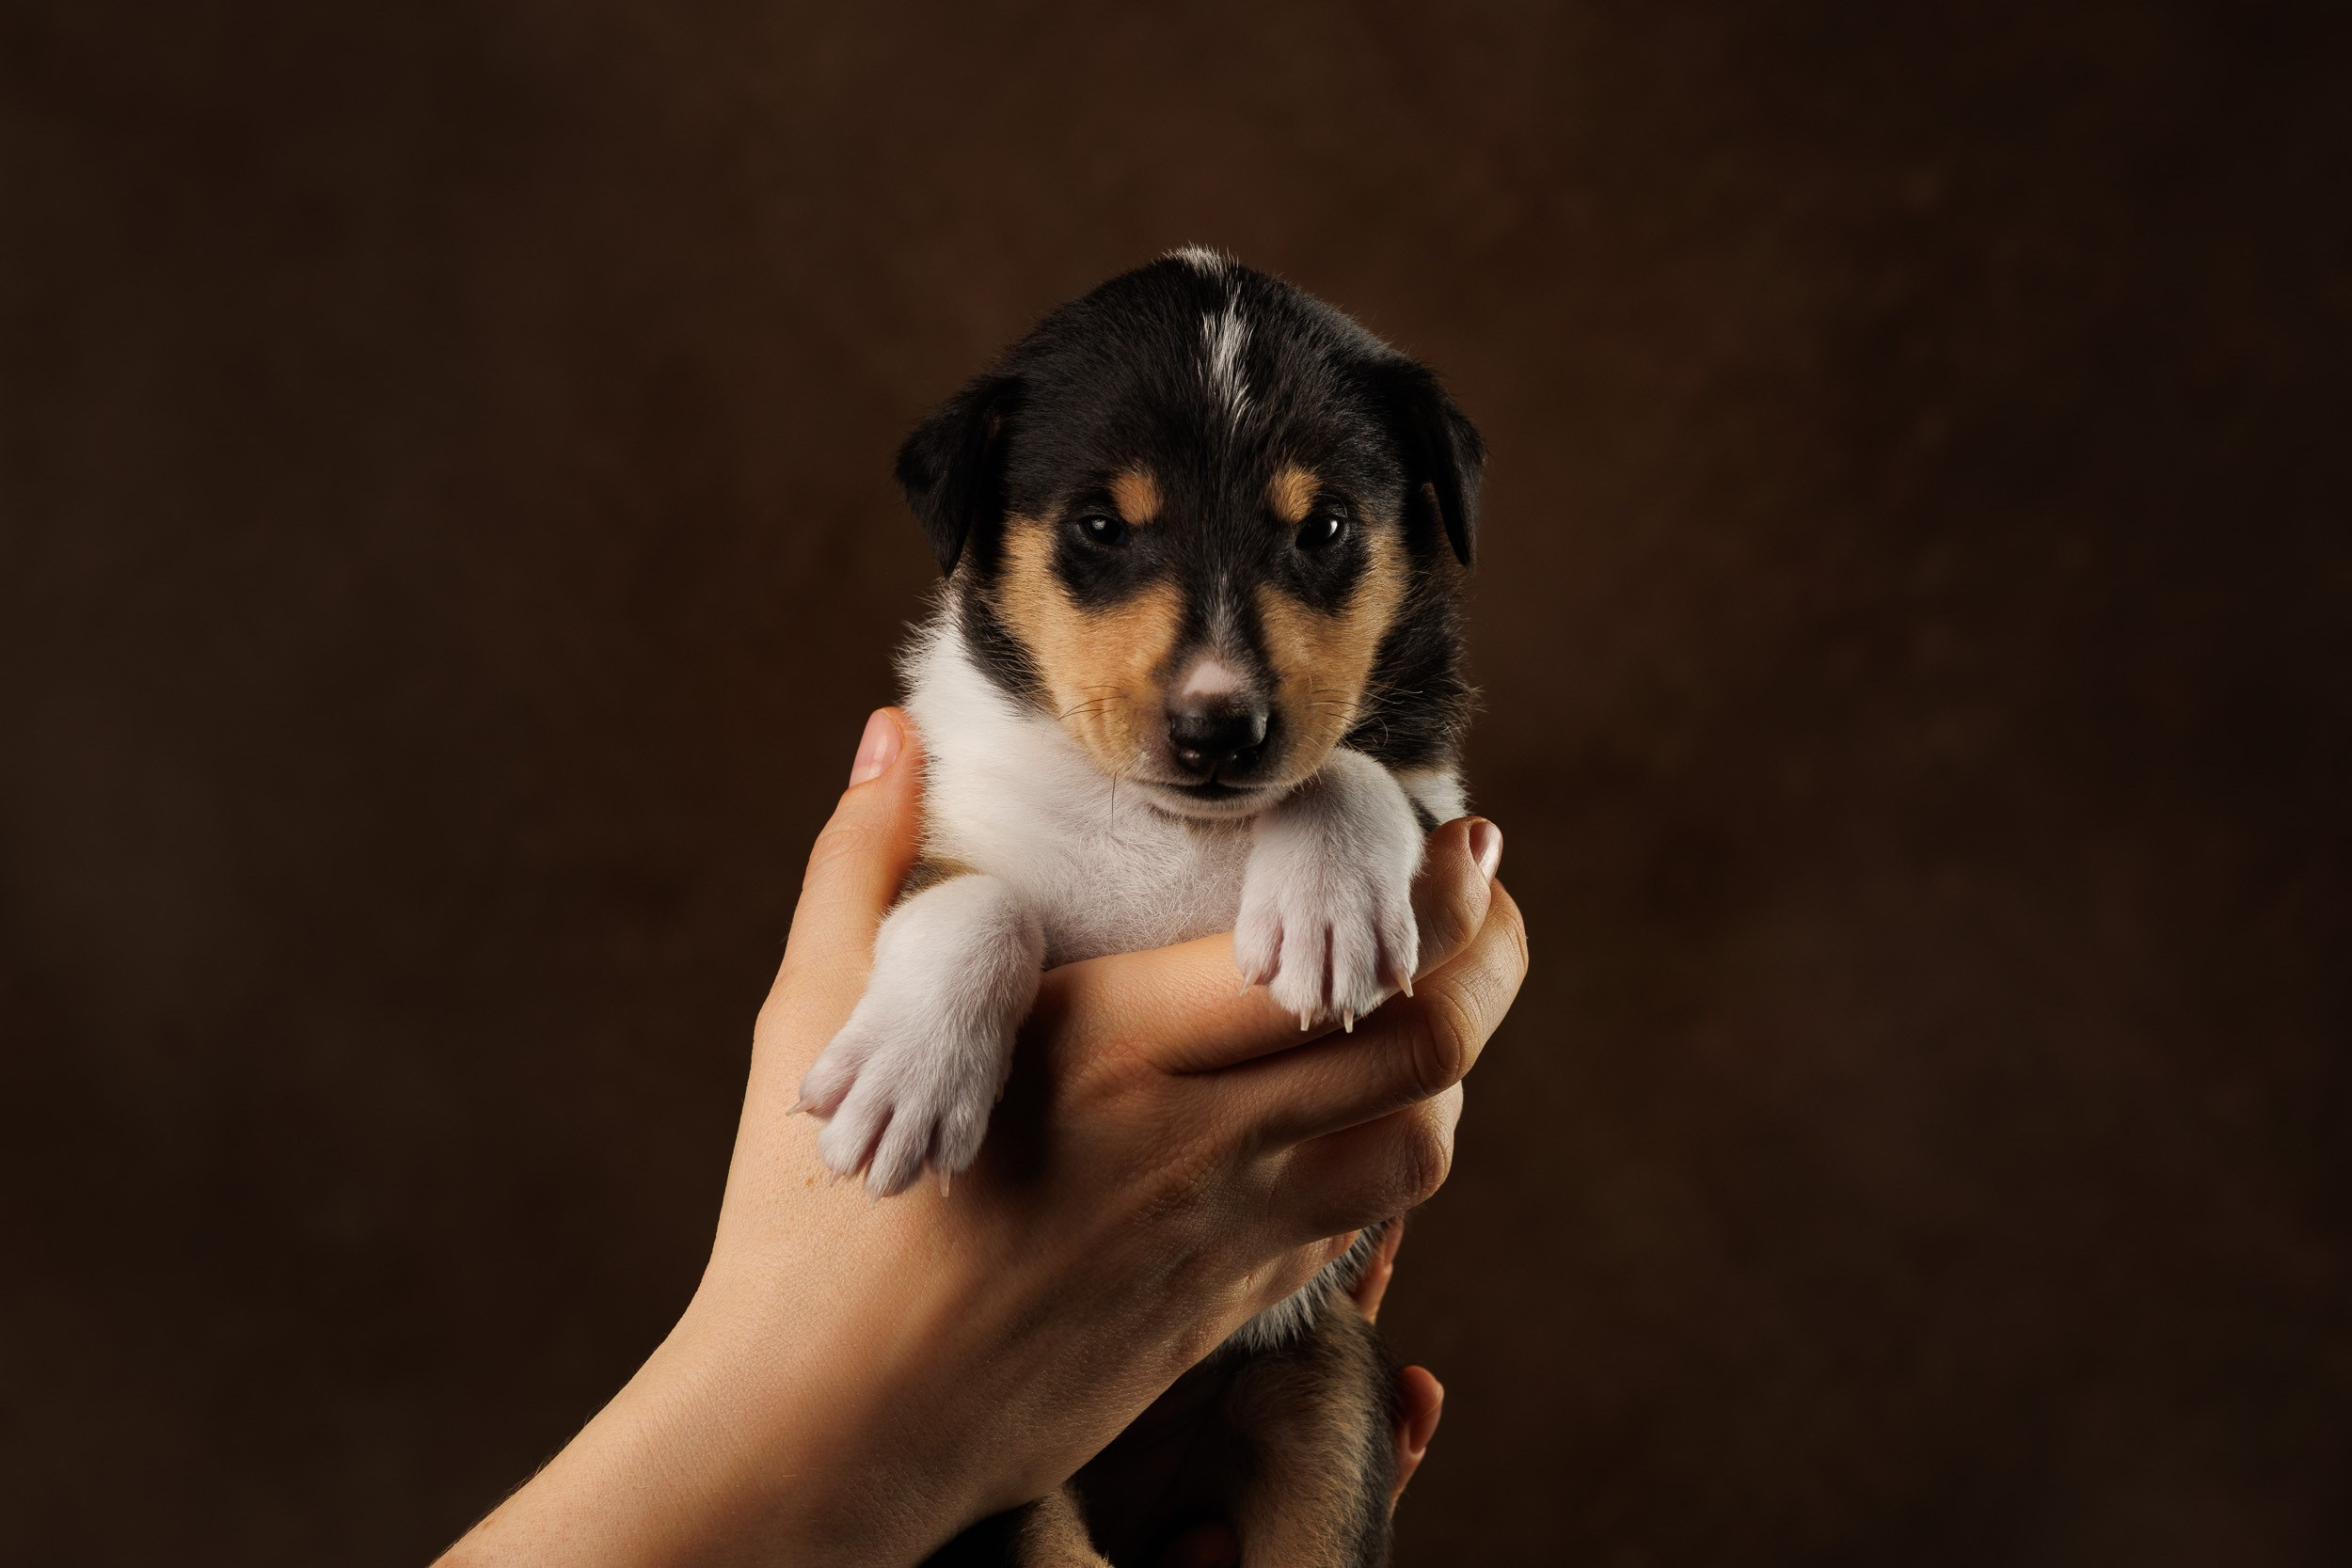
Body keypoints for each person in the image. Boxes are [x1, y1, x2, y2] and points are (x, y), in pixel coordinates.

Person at [439, 709, 1527, 1565]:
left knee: (1326, 1406)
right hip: (970, 1457)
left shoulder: (1344, 745)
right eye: (1105, 535)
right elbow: (955, 890)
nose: (1213, 683)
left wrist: (1357, 810)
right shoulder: (1003, 755)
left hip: (1262, 1357)